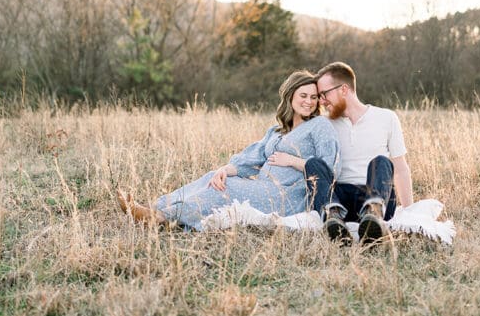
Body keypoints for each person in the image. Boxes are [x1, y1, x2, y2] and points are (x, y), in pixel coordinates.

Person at [116, 70, 340, 231]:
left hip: (289, 195)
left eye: (313, 97)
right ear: (290, 95)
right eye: (303, 95)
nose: (309, 102)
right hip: (263, 186)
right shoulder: (277, 131)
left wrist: (292, 160)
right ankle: (154, 207)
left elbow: (329, 168)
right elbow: (250, 159)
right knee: (214, 178)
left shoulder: (319, 126)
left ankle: (162, 217)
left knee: (228, 188)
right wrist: (225, 169)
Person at [304, 61, 414, 247]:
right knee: (312, 163)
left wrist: (411, 212)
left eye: (324, 94)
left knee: (381, 162)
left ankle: (373, 217)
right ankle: (333, 219)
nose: (321, 101)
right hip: (339, 199)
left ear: (344, 89)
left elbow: (401, 169)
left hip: (376, 193)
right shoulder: (323, 124)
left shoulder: (386, 117)